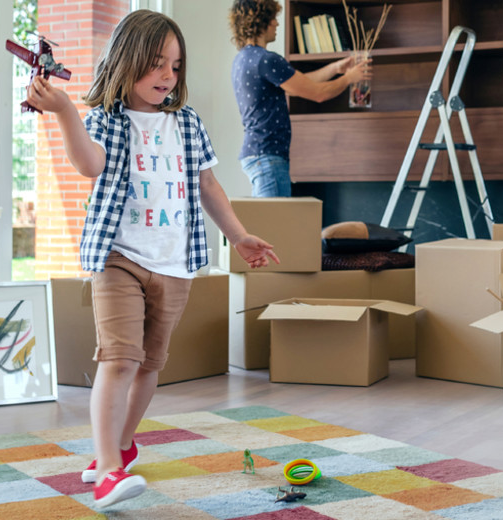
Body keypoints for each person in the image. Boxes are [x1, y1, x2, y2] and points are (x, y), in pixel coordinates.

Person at [25, 9, 279, 509]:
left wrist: (240, 235)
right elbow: (88, 163)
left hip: (176, 263)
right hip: (119, 258)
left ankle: (119, 445)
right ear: (126, 61)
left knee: (149, 365)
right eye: (156, 64)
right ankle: (107, 474)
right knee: (119, 359)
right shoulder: (104, 118)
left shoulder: (186, 123)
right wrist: (64, 112)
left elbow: (209, 186)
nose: (167, 76)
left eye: (175, 66)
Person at [228, 0, 372, 197]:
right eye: (273, 19)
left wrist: (336, 69)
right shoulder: (267, 60)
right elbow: (318, 94)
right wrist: (349, 79)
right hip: (268, 155)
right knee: (275, 225)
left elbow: (298, 84)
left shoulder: (244, 59)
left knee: (269, 223)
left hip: (259, 153)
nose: (277, 24)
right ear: (262, 21)